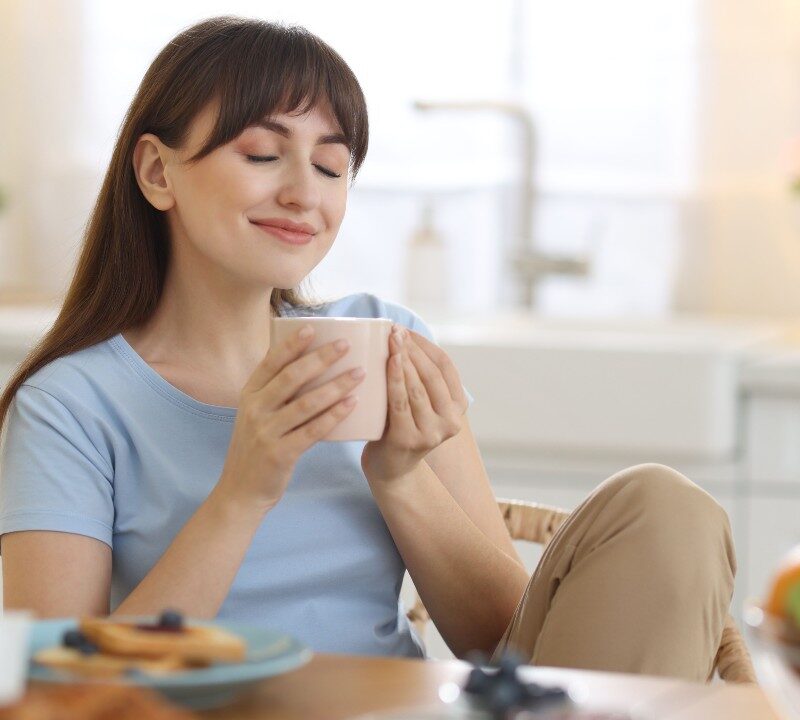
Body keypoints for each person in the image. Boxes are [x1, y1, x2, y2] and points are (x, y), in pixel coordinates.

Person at [0, 17, 735, 679]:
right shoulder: (71, 407)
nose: (303, 194)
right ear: (158, 172)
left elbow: (509, 644)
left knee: (665, 508)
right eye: (262, 154)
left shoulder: (384, 342)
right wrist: (244, 491)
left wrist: (403, 478)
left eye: (330, 167)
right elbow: (62, 691)